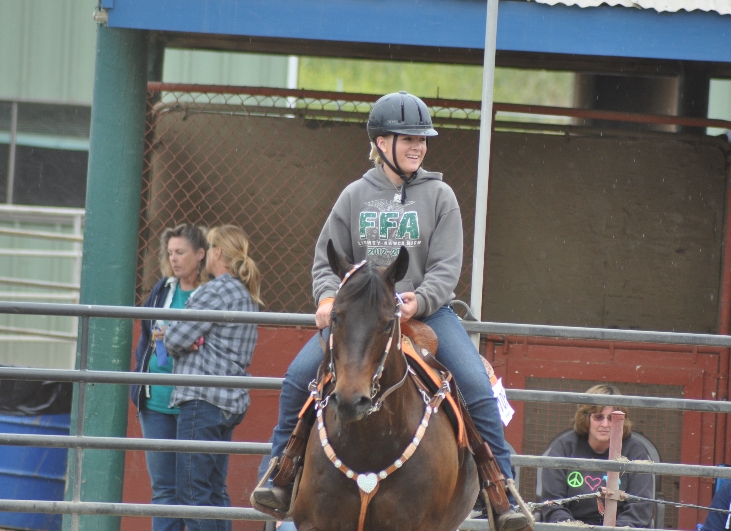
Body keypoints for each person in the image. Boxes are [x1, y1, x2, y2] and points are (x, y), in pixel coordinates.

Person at [251, 91, 529, 531]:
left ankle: (501, 490)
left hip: (427, 313)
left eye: (422, 139)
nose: (418, 146)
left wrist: (420, 299)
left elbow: (446, 266)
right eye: (408, 138)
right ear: (381, 143)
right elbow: (327, 260)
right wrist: (327, 300)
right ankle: (280, 474)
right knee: (297, 376)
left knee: (475, 383)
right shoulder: (354, 195)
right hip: (362, 316)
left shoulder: (440, 196)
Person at [164, 224, 263, 531]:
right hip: (229, 401)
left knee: (192, 494)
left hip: (202, 399)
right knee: (215, 491)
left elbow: (173, 338)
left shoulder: (216, 290)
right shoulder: (245, 294)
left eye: (209, 248)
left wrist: (184, 339)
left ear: (217, 253)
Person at [131, 223, 208, 531]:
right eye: (170, 252)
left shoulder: (211, 293)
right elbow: (145, 338)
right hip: (156, 401)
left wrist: (178, 337)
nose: (174, 259)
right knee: (164, 490)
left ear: (200, 254)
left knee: (197, 490)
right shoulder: (163, 288)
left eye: (181, 252)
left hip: (194, 402)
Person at [540, 384, 654, 527]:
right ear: (586, 417)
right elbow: (553, 503)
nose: (605, 424)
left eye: (612, 418)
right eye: (598, 417)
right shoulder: (564, 448)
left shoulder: (635, 452)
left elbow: (640, 508)